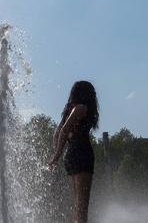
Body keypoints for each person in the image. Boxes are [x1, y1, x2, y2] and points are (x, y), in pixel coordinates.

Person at [48, 80, 99, 223]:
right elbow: (64, 130)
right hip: (82, 154)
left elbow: (57, 133)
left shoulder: (68, 110)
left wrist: (57, 153)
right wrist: (56, 156)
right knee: (82, 206)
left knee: (77, 205)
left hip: (70, 155)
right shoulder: (82, 108)